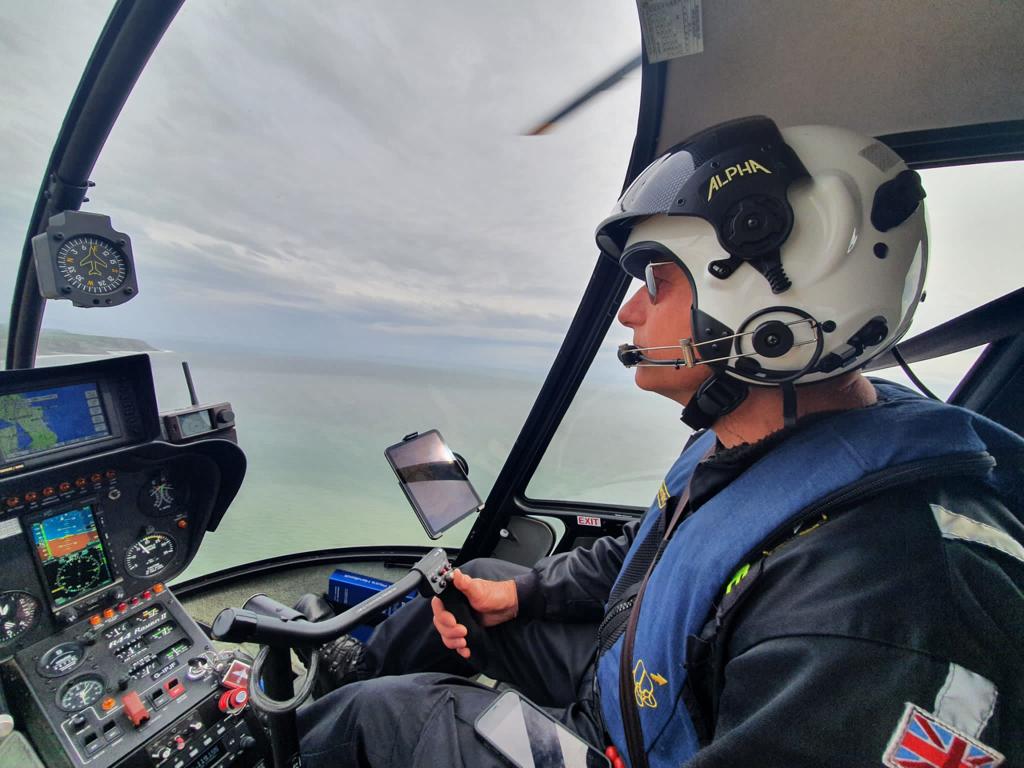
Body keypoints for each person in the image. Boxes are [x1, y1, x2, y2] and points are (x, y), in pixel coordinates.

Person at [297, 116, 1024, 767]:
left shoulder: (888, 613)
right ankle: (341, 671)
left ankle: (306, 733)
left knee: (384, 718)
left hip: (645, 738)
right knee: (475, 584)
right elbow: (651, 552)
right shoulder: (751, 438)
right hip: (632, 680)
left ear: (772, 301)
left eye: (656, 279)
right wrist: (524, 593)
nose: (630, 312)